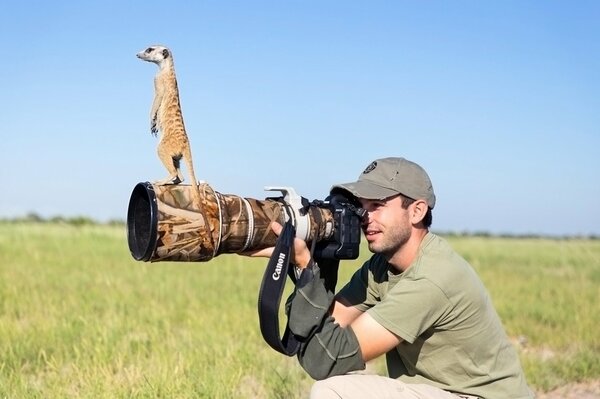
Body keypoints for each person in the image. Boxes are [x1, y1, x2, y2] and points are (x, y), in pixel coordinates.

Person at [251, 157, 533, 399]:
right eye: (361, 206)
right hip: (439, 392)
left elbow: (327, 359)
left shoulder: (432, 278)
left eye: (377, 205)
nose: (364, 217)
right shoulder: (380, 267)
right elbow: (321, 331)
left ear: (417, 211)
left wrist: (305, 265)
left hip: (475, 396)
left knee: (333, 392)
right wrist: (310, 259)